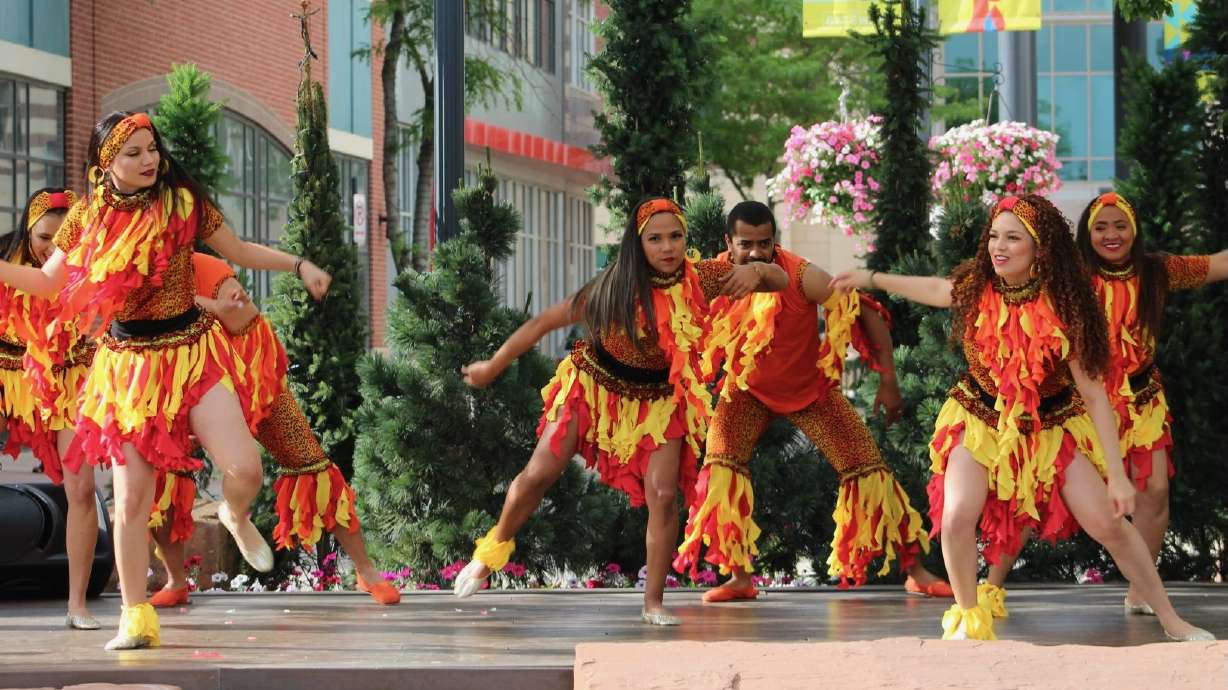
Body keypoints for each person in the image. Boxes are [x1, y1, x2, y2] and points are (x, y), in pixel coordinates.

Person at [0, 111, 329, 650]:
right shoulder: (86, 218)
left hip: (191, 352)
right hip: (128, 367)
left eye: (152, 149)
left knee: (245, 468)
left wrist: (299, 266)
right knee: (130, 501)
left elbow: (240, 251)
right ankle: (136, 617)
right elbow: (45, 281)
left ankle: (233, 511)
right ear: (107, 162)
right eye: (133, 153)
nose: (149, 160)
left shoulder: (182, 203)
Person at [830, 194, 1212, 641]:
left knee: (1109, 524)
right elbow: (937, 290)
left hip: (1048, 426)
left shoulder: (1064, 305)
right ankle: (970, 620)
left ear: (1040, 248)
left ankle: (1171, 619)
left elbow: (1093, 393)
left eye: (1013, 238)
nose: (999, 246)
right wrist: (872, 277)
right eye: (994, 236)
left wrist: (1117, 476)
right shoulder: (977, 285)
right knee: (956, 516)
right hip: (979, 417)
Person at [454, 197, 787, 625]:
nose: (667, 247)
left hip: (659, 401)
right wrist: (492, 367)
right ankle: (492, 549)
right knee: (537, 476)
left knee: (664, 497)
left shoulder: (704, 276)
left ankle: (653, 603)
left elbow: (780, 279)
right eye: (655, 239)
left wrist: (757, 268)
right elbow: (543, 324)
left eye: (675, 237)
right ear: (638, 243)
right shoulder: (615, 287)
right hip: (594, 389)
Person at [674, 200, 950, 600]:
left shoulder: (802, 275)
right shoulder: (717, 274)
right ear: (727, 243)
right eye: (745, 244)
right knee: (721, 468)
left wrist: (888, 381)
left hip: (810, 394)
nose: (755, 252)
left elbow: (865, 313)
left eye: (764, 243)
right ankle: (738, 578)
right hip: (746, 392)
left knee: (868, 467)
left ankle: (916, 571)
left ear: (775, 242)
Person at [981, 192, 1228, 617]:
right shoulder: (1068, 274)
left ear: (1134, 230)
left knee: (1154, 491)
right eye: (1101, 227)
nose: (1111, 235)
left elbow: (1219, 264)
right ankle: (991, 587)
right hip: (1082, 405)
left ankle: (1140, 590)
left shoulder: (1158, 270)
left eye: (1120, 226)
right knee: (1031, 490)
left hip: (1141, 401)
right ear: (1086, 233)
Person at [146, 252, 400, 607]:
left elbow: (239, 261)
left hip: (252, 375)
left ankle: (367, 572)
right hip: (182, 380)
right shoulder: (131, 268)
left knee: (310, 461)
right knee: (165, 478)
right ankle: (175, 581)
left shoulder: (200, 260)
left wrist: (300, 266)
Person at [0, 188, 99, 629]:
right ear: (27, 228)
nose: (53, 248)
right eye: (44, 237)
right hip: (6, 373)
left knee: (80, 488)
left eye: (64, 239)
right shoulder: (5, 255)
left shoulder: (89, 267)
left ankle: (77, 604)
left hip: (67, 379)